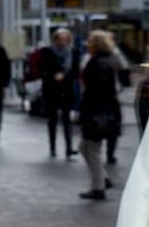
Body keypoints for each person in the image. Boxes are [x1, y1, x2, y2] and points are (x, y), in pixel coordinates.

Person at [77, 31, 127, 200]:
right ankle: (102, 179)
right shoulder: (104, 60)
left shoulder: (100, 63)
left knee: (92, 148)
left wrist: (89, 112)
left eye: (90, 41)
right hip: (102, 110)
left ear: (96, 44)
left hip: (98, 112)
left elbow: (98, 91)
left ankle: (99, 186)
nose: (87, 44)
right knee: (86, 147)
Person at [38, 27, 80, 159]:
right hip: (51, 90)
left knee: (67, 120)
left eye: (65, 39)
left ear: (68, 40)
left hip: (67, 90)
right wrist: (52, 76)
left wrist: (65, 77)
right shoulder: (47, 52)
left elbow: (75, 72)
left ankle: (68, 148)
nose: (62, 42)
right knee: (52, 119)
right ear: (55, 40)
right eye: (60, 39)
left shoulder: (74, 52)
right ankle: (53, 147)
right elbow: (42, 69)